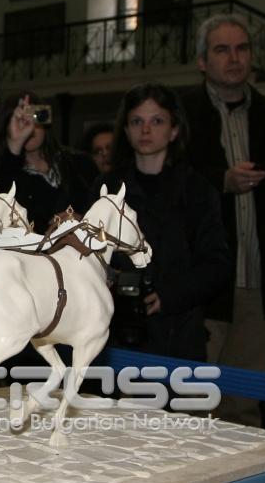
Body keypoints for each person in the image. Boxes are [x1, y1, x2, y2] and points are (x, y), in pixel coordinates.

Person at [182, 13, 265, 428]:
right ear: (202, 61)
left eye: (242, 49)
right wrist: (221, 182)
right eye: (222, 49)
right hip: (202, 287)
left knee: (242, 408)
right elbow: (171, 190)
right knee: (190, 404)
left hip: (259, 284)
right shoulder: (180, 116)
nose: (234, 58)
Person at [96, 83, 231, 361]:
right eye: (137, 121)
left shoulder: (197, 190)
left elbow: (216, 263)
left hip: (178, 332)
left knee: (179, 405)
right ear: (126, 130)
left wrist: (168, 296)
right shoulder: (105, 189)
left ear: (174, 130)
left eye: (157, 121)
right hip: (114, 331)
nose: (146, 130)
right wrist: (111, 279)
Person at [0, 91, 98, 232]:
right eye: (19, 120)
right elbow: (0, 211)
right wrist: (15, 143)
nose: (28, 126)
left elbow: (104, 210)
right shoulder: (4, 173)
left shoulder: (79, 163)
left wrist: (83, 220)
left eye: (33, 116)